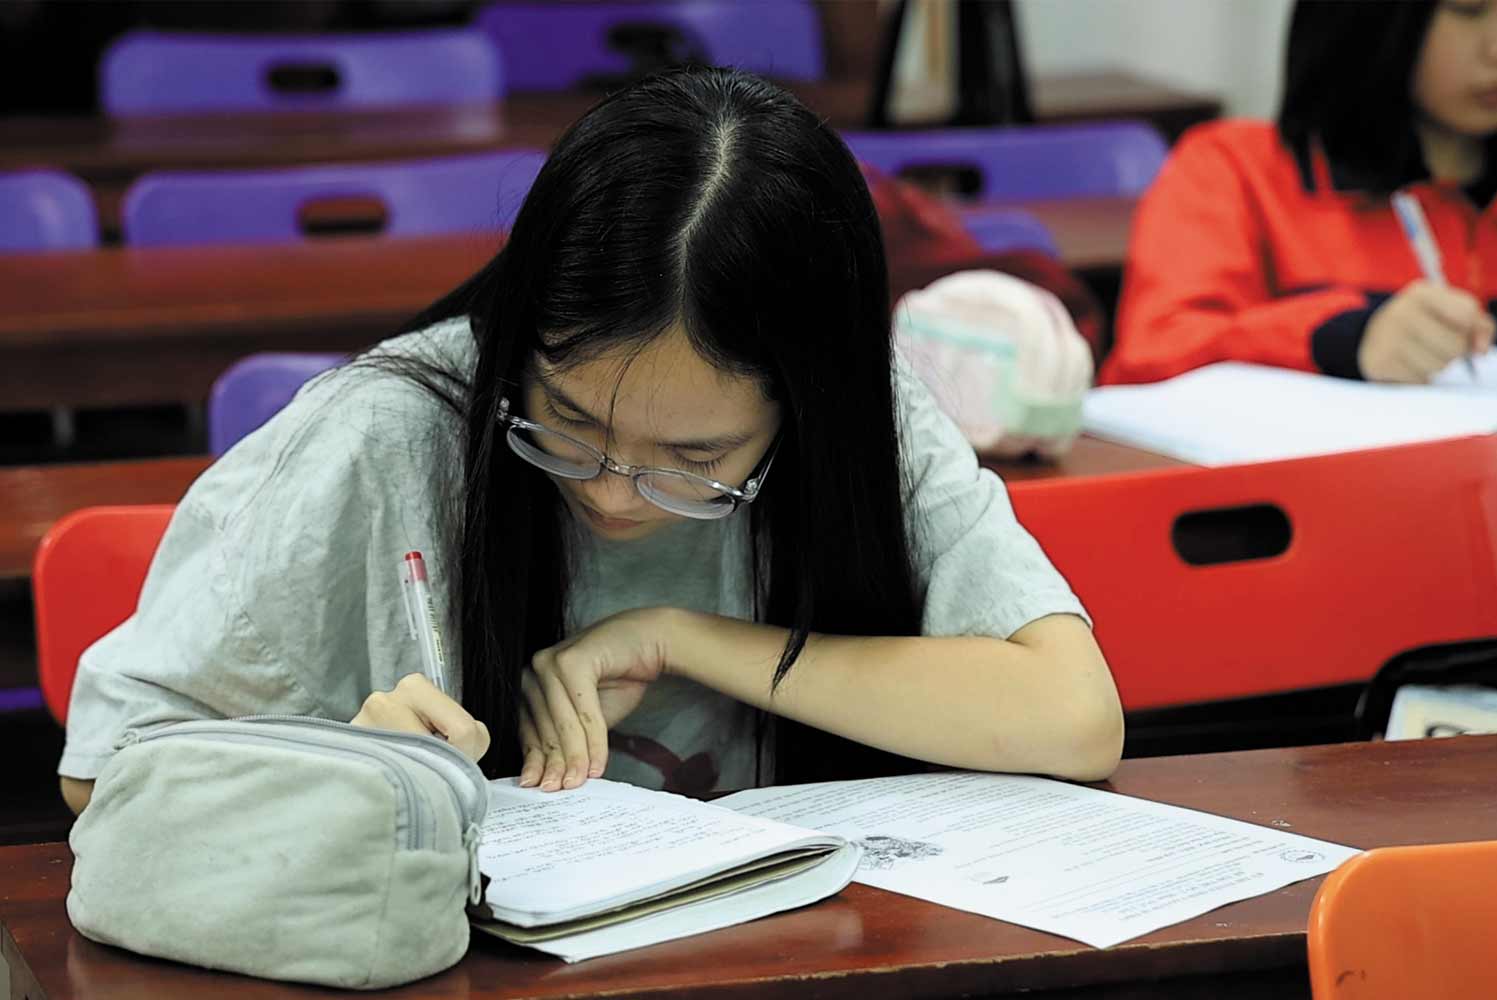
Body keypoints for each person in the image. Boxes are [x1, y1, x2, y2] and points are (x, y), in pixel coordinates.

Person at [59, 67, 1122, 814]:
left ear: (803, 407)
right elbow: (101, 768)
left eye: (696, 461)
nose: (613, 494)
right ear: (522, 337)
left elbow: (1073, 717)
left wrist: (681, 634)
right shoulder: (390, 436)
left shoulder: (866, 412)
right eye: (566, 421)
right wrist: (341, 774)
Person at [1102, 0, 1497, 386]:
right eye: (1467, 10)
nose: (1496, 47)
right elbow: (1150, 354)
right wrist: (1343, 338)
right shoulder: (1235, 170)